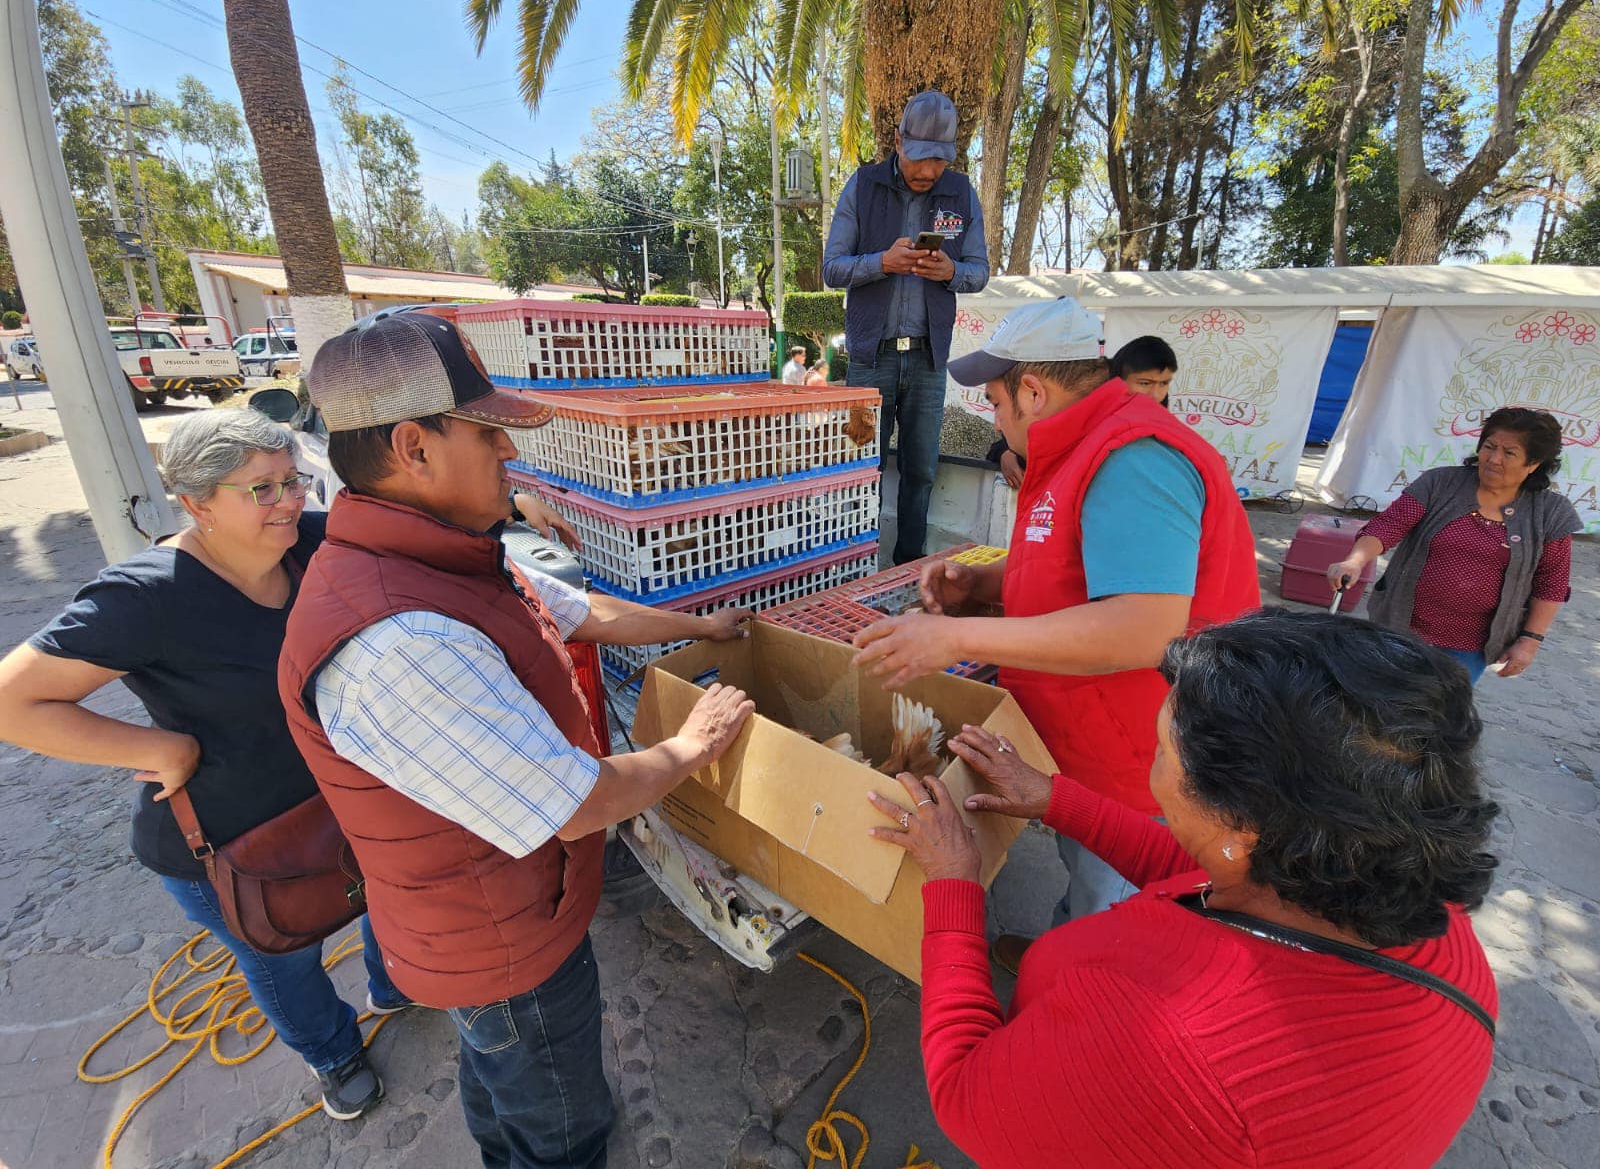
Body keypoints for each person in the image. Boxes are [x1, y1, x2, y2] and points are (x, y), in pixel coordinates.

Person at [277, 311, 756, 1169]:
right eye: (490, 434)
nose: (511, 456)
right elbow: (579, 803)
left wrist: (703, 623)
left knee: (498, 1077)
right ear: (413, 447)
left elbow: (581, 610)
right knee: (560, 1121)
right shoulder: (399, 641)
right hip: (500, 946)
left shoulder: (443, 552)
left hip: (494, 913)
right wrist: (696, 743)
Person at [866, 609, 1499, 1169]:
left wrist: (954, 886)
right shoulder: (1402, 891)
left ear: (1244, 823)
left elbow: (964, 1097)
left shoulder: (1169, 1048)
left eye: (1164, 750)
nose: (1153, 762)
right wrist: (1056, 799)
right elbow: (1205, 872)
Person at [0, 409, 408, 1121]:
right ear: (195, 503)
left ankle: (394, 984)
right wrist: (157, 749)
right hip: (232, 843)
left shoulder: (311, 543)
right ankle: (333, 1054)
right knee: (283, 958)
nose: (288, 501)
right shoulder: (146, 596)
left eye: (292, 480)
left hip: (343, 801)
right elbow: (14, 700)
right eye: (260, 489)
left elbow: (406, 524)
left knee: (385, 894)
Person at [851, 296, 1261, 967]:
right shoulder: (1080, 447)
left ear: (1033, 391)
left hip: (1151, 764)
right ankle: (1059, 949)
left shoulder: (1135, 457)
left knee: (1117, 911)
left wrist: (956, 639)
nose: (995, 414)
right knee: (1088, 880)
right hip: (1098, 745)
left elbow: (1144, 629)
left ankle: (1065, 1004)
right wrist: (983, 585)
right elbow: (1072, 555)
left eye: (995, 400)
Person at [823, 89, 989, 564]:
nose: (927, 172)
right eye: (919, 158)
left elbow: (979, 270)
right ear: (898, 141)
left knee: (920, 471)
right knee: (860, 469)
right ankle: (852, 568)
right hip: (868, 360)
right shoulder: (864, 185)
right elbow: (833, 267)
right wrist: (883, 262)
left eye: (938, 161)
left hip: (928, 361)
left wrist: (951, 272)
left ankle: (910, 572)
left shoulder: (961, 192)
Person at [1328, 406, 1579, 683]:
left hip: (1471, 647)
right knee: (1376, 700)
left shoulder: (1551, 513)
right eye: (1489, 446)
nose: (1493, 459)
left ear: (1533, 464)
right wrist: (1355, 560)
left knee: (1437, 715)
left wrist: (1530, 641)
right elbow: (1390, 525)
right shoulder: (1441, 483)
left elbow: (1551, 584)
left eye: (1509, 453)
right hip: (1400, 627)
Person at [1109, 334, 1177, 406]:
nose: (1156, 395)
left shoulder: (1163, 414)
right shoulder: (1101, 414)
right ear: (1118, 381)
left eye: (1163, 383)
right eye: (1145, 383)